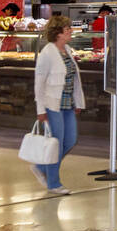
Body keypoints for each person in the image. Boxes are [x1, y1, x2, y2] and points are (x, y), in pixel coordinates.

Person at [32, 15, 86, 194]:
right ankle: (54, 183)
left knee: (70, 140)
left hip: (68, 105)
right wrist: (40, 110)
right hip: (52, 105)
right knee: (56, 143)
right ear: (58, 33)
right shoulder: (47, 53)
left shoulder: (68, 50)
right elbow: (39, 84)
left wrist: (78, 102)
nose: (70, 31)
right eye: (67, 29)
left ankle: (41, 167)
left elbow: (74, 79)